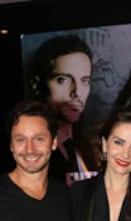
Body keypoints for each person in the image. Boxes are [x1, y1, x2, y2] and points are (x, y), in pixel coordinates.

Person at [30, 34, 100, 187]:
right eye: (63, 80)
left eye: (85, 81)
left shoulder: (87, 145)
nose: (77, 92)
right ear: (37, 85)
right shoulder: (30, 149)